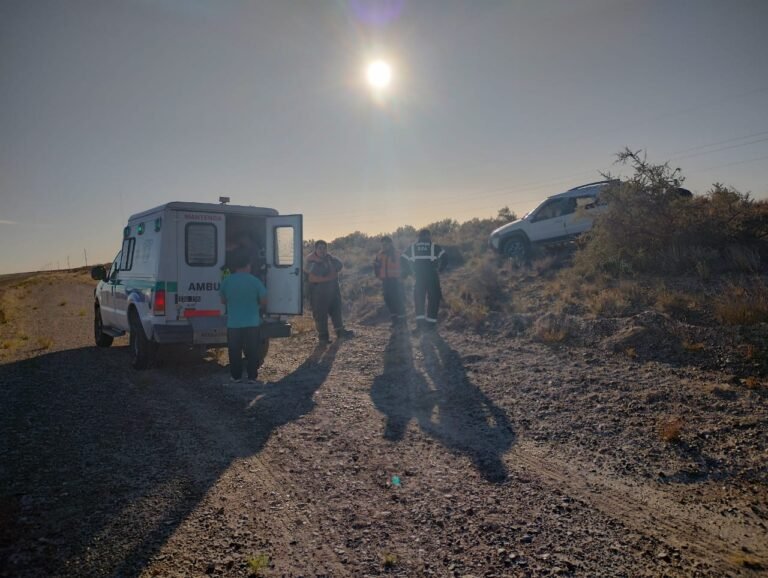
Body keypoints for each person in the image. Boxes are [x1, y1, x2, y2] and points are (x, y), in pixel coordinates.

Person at [219, 247, 268, 383]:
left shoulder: (227, 281)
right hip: (252, 322)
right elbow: (264, 300)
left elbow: (223, 300)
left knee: (234, 351)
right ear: (248, 265)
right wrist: (257, 304)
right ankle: (252, 376)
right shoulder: (254, 281)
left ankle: (236, 376)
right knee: (252, 350)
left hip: (234, 323)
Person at [305, 240, 354, 344]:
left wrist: (330, 259)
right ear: (315, 249)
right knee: (320, 315)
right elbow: (315, 275)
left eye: (324, 248)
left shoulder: (330, 258)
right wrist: (327, 267)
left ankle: (340, 333)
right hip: (318, 293)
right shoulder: (310, 261)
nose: (322, 250)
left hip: (333, 291)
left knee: (336, 312)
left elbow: (339, 265)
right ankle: (323, 338)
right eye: (320, 248)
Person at [401, 229, 445, 333]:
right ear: (428, 236)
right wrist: (441, 269)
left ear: (419, 237)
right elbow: (445, 257)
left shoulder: (413, 247)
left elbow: (403, 258)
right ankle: (431, 325)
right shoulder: (434, 246)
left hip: (419, 277)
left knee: (419, 300)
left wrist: (408, 272)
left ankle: (420, 326)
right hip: (432, 276)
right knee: (434, 299)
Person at [373, 236, 406, 328]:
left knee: (399, 301)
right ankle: (395, 321)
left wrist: (403, 277)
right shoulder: (379, 255)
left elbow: (406, 266)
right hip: (386, 282)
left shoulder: (398, 253)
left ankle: (402, 322)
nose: (384, 246)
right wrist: (378, 275)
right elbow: (376, 266)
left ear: (390, 244)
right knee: (388, 300)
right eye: (382, 244)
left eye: (386, 244)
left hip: (397, 282)